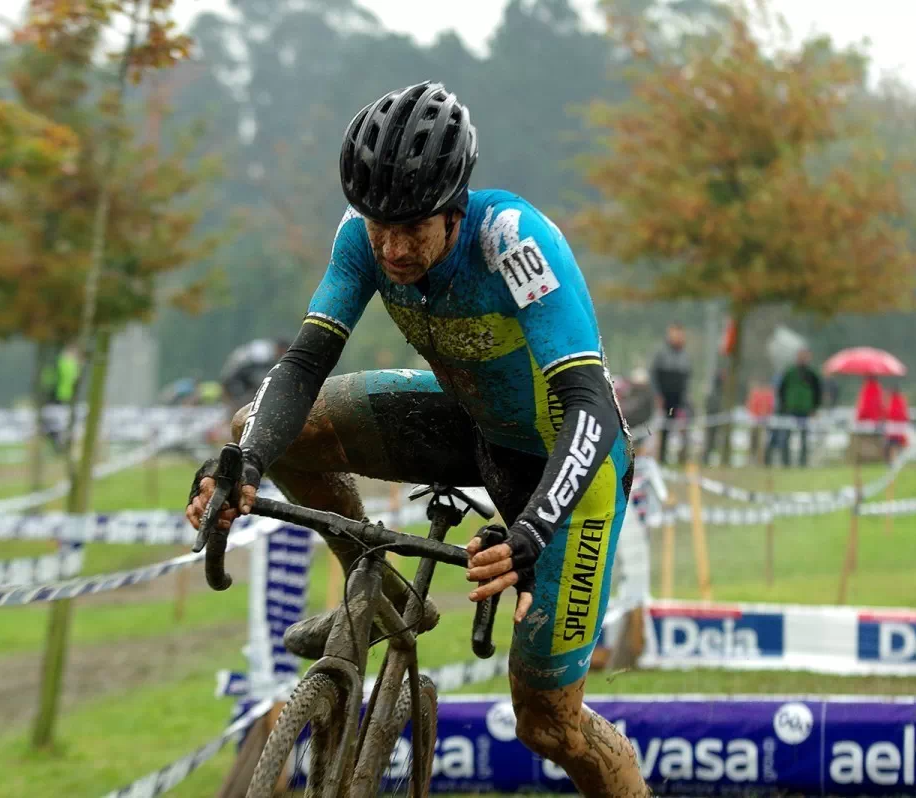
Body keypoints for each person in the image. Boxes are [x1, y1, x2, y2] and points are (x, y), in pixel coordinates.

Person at [184, 82, 648, 796]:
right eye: (380, 228)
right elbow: (306, 361)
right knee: (263, 429)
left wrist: (529, 534)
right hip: (469, 424)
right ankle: (388, 591)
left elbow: (590, 408)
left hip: (568, 473)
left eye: (414, 229)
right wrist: (242, 464)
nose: (394, 248)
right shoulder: (360, 238)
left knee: (550, 727)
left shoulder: (513, 243)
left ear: (456, 209)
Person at [766, 348, 823, 467]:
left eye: (805, 356)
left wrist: (814, 408)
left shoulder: (812, 374)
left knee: (804, 438)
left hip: (806, 411)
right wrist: (783, 406)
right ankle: (786, 463)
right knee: (786, 437)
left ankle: (802, 463)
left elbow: (818, 392)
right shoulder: (789, 372)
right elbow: (781, 390)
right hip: (790, 410)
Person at [649, 323, 691, 465]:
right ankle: (662, 458)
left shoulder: (685, 355)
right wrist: (657, 395)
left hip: (680, 398)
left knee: (683, 427)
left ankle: (682, 458)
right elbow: (653, 375)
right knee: (664, 428)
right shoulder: (661, 353)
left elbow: (687, 377)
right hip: (665, 398)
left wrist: (686, 396)